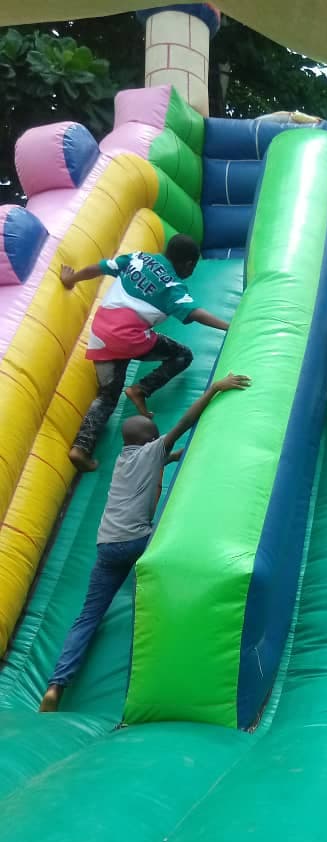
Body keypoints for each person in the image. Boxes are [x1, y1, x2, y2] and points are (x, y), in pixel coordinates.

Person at [38, 372, 251, 713]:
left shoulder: (122, 462)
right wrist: (214, 388)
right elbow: (184, 422)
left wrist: (177, 456)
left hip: (107, 546)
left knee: (87, 617)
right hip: (139, 540)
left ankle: (55, 686)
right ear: (153, 438)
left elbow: (159, 459)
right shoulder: (154, 450)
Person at [60, 234, 233, 473]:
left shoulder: (137, 258)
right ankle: (140, 389)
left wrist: (72, 278)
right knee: (182, 355)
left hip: (101, 335)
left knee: (108, 397)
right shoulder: (172, 286)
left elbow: (100, 267)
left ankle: (81, 447)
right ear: (189, 264)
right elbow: (195, 313)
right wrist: (229, 327)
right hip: (130, 339)